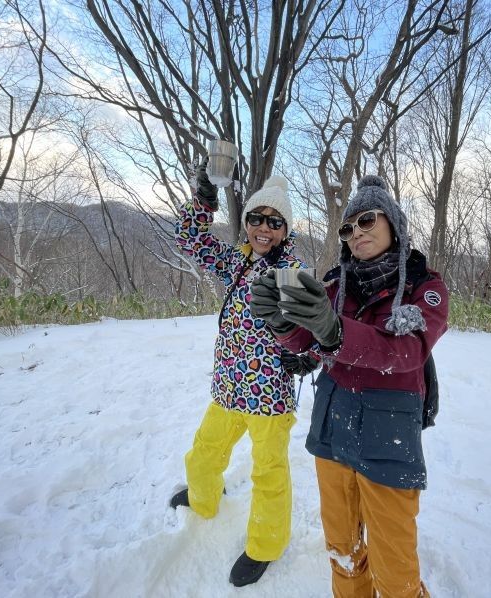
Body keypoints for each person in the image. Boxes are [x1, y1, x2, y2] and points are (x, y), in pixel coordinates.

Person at [250, 175, 449, 598]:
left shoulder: (424, 287)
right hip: (333, 425)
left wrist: (335, 330)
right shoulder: (335, 286)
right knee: (343, 551)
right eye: (348, 227)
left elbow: (406, 353)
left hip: (389, 435)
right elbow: (307, 340)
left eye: (367, 220)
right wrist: (283, 323)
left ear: (393, 223)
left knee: (396, 574)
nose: (356, 233)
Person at [172, 160, 316, 587]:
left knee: (268, 472)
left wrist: (310, 355)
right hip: (229, 388)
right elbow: (190, 239)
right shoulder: (238, 261)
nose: (264, 228)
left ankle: (266, 545)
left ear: (286, 230)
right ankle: (203, 499)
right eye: (256, 219)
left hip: (269, 395)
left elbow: (316, 328)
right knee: (202, 455)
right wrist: (204, 199)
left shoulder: (289, 272)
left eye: (274, 222)